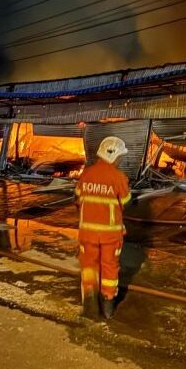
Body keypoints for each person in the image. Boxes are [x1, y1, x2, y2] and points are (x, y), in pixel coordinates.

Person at [74, 136, 131, 319]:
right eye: (120, 157)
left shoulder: (86, 174)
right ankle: (107, 306)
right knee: (109, 268)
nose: (120, 160)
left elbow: (78, 198)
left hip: (87, 232)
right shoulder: (119, 177)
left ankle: (90, 302)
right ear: (114, 156)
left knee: (89, 266)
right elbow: (126, 202)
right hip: (110, 235)